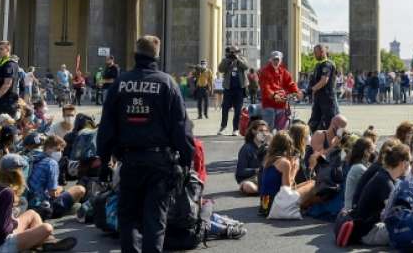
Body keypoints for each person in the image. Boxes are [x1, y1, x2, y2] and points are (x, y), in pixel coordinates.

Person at [97, 35, 195, 253]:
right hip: (160, 161)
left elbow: (106, 128)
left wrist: (104, 161)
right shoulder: (166, 83)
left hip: (130, 160)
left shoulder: (121, 83)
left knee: (129, 218)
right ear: (156, 56)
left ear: (135, 54)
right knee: (155, 219)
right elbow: (181, 127)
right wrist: (188, 161)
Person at [0, 154, 77, 252]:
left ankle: (49, 242)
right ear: (17, 172)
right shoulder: (7, 192)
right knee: (47, 228)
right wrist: (17, 224)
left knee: (32, 213)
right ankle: (44, 243)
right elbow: (3, 231)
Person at [335, 141, 411, 247]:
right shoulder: (386, 183)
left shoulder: (383, 176)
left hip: (363, 228)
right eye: (409, 162)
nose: (410, 166)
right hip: (368, 233)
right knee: (409, 232)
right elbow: (394, 215)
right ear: (403, 163)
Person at [26, 135, 86, 219]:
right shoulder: (52, 163)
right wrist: (59, 189)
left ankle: (67, 208)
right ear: (48, 148)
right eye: (58, 150)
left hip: (30, 202)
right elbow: (52, 193)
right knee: (80, 189)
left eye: (61, 151)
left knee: (73, 202)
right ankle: (63, 210)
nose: (60, 153)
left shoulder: (35, 158)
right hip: (43, 205)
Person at [259, 51, 301, 130]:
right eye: (274, 59)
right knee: (268, 129)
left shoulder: (284, 71)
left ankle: (280, 141)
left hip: (281, 104)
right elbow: (265, 87)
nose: (276, 61)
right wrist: (274, 95)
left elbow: (290, 83)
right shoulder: (265, 71)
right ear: (270, 60)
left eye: (278, 59)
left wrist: (296, 92)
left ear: (281, 60)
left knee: (282, 129)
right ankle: (267, 141)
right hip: (269, 104)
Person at [217, 47, 249, 136]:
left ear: (238, 52)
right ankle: (223, 126)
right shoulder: (226, 60)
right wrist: (228, 61)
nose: (233, 54)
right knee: (225, 108)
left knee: (238, 110)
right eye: (232, 52)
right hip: (228, 89)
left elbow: (246, 67)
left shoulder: (242, 59)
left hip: (239, 89)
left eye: (235, 52)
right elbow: (220, 69)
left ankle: (235, 129)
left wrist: (237, 59)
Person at [308, 44, 339, 132]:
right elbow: (315, 81)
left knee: (331, 122)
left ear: (322, 52)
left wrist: (311, 90)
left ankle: (334, 142)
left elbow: (324, 81)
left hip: (328, 98)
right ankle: (313, 142)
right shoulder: (318, 65)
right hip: (319, 98)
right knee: (314, 121)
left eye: (315, 53)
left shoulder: (327, 64)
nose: (314, 55)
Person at [236, 120, 269, 195]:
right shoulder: (246, 148)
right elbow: (240, 171)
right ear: (253, 131)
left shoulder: (268, 147)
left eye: (266, 131)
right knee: (248, 187)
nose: (264, 133)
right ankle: (266, 191)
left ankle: (265, 190)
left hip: (263, 177)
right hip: (250, 179)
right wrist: (256, 170)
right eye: (261, 131)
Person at [0, 42, 20, 120]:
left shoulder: (9, 64)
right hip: (0, 99)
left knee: (5, 126)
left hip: (7, 100)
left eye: (2, 49)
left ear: (8, 50)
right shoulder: (0, 63)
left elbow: (7, 83)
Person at [343, 137, 375, 210]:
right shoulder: (359, 168)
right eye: (372, 150)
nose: (373, 153)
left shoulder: (360, 166)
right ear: (366, 151)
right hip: (351, 211)